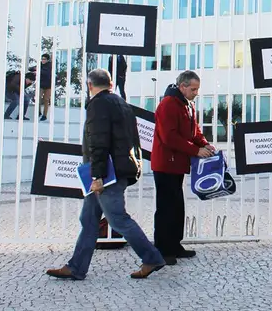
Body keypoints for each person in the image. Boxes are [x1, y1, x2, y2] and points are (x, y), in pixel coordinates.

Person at [45, 69, 165, 280]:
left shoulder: (98, 104)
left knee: (118, 219)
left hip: (106, 174)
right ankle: (76, 267)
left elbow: (98, 142)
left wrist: (97, 176)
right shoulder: (122, 104)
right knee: (89, 219)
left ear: (90, 85)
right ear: (110, 83)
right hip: (117, 169)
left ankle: (151, 257)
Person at [151, 70, 216, 265]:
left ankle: (174, 245)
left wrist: (204, 143)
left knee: (177, 206)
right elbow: (169, 137)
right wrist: (195, 150)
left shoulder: (188, 105)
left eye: (197, 89)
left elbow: (194, 130)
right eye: (193, 89)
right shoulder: (168, 105)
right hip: (165, 164)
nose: (196, 92)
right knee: (166, 207)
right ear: (182, 87)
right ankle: (163, 249)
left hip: (177, 163)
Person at [39, 53, 53, 121]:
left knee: (46, 100)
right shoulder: (40, 65)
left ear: (47, 60)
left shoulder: (50, 65)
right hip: (41, 85)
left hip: (48, 86)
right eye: (42, 59)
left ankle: (44, 115)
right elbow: (32, 68)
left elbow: (46, 73)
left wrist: (38, 71)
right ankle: (38, 112)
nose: (43, 60)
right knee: (38, 98)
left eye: (44, 59)